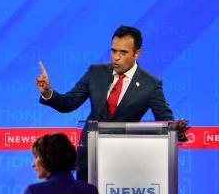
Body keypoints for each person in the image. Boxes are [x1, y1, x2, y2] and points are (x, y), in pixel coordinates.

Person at [36, 25, 186, 179]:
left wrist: (176, 129)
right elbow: (68, 103)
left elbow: (164, 119)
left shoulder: (150, 84)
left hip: (122, 162)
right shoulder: (96, 72)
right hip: (88, 158)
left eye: (123, 52)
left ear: (137, 54)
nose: (116, 57)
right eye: (114, 51)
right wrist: (48, 92)